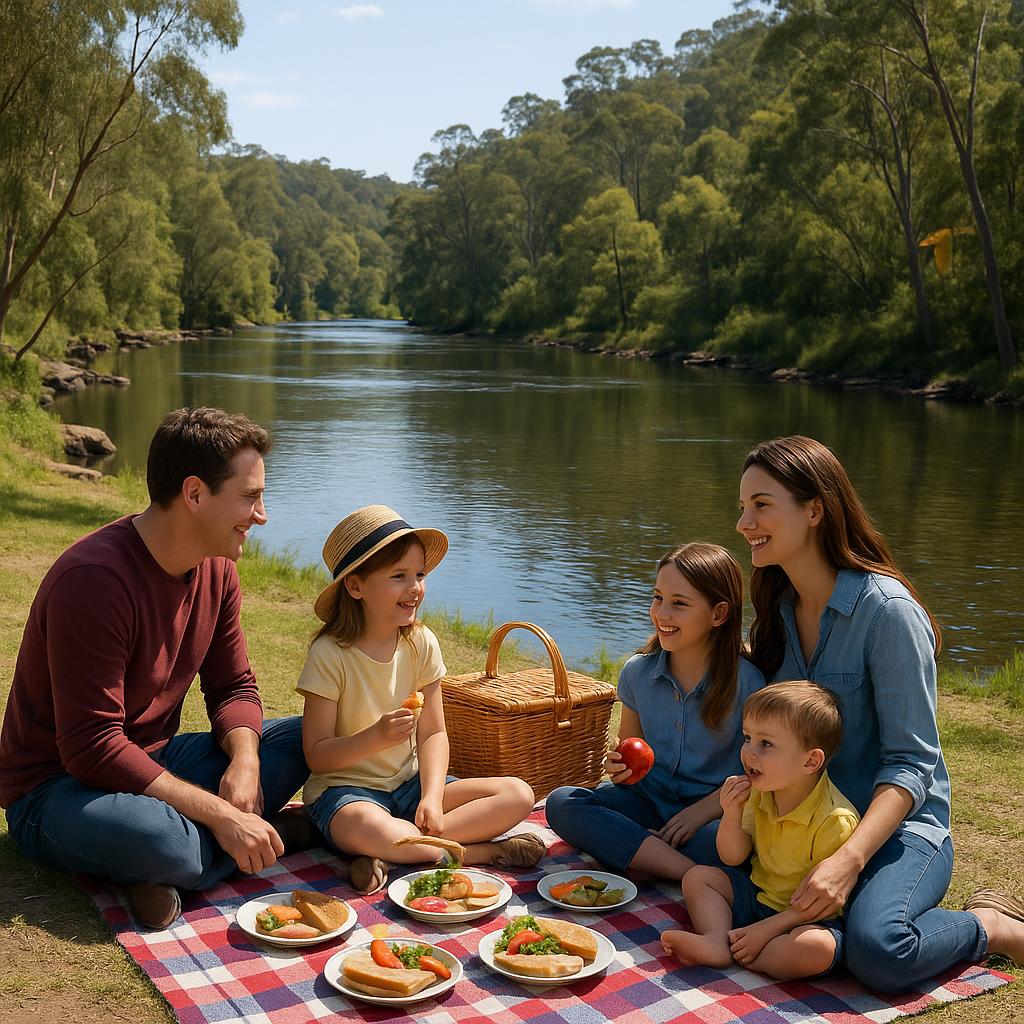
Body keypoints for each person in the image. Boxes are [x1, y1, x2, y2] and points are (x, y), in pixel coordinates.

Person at [0, 407, 312, 930]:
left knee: (310, 737)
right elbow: (92, 747)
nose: (262, 515)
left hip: (153, 761)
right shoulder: (94, 581)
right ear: (194, 494)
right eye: (250, 496)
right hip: (55, 788)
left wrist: (244, 762)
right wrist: (222, 814)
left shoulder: (217, 569)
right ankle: (229, 844)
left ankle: (172, 866)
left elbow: (233, 686)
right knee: (167, 843)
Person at [735, 435, 1024, 990]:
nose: (745, 522)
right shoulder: (778, 608)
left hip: (896, 831)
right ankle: (824, 937)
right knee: (692, 863)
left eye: (762, 505)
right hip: (802, 822)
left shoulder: (887, 613)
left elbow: (912, 763)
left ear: (815, 509)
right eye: (743, 507)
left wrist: (846, 863)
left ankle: (990, 926)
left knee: (880, 954)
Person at [298, 504, 544, 895]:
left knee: (518, 794)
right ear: (356, 586)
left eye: (420, 575)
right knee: (372, 827)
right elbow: (317, 755)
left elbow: (433, 733)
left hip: (411, 787)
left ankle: (403, 851)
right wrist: (375, 738)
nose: (415, 588)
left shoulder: (420, 643)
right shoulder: (331, 654)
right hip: (347, 793)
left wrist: (431, 796)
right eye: (398, 577)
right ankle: (476, 853)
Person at [545, 543, 764, 880]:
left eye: (680, 604)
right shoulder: (637, 672)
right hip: (646, 804)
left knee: (730, 846)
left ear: (718, 614)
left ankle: (642, 853)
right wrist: (619, 768)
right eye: (658, 598)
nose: (662, 614)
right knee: (562, 803)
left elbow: (756, 774)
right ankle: (687, 873)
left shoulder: (748, 683)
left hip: (712, 814)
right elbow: (634, 759)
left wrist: (698, 814)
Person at [662, 682, 860, 979]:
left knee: (817, 948)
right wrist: (731, 813)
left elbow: (822, 903)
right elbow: (732, 857)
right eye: (747, 738)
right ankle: (718, 939)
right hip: (757, 897)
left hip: (803, 920)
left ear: (810, 760)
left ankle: (738, 951)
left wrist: (766, 930)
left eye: (765, 744)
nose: (748, 752)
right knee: (699, 877)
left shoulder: (834, 820)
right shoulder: (762, 791)